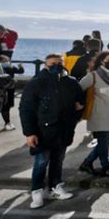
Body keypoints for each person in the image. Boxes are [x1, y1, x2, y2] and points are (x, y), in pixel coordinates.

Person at [19, 54, 84, 208]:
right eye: (52, 64)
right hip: (43, 131)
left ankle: (55, 186)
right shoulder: (36, 83)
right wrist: (29, 133)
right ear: (45, 66)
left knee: (58, 160)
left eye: (59, 63)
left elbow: (80, 104)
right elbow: (26, 109)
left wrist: (74, 118)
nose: (56, 66)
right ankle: (37, 191)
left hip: (64, 129)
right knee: (41, 162)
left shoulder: (71, 82)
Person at [78, 52, 109, 178]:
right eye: (108, 60)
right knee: (103, 142)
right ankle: (107, 167)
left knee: (108, 140)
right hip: (99, 114)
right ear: (101, 61)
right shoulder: (93, 76)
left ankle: (87, 162)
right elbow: (78, 89)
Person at [0, 55, 24, 131]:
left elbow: (21, 71)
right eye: (3, 61)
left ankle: (6, 122)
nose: (6, 62)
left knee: (8, 105)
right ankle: (7, 123)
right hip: (1, 90)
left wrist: (20, 66)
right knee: (4, 106)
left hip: (11, 89)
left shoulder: (11, 68)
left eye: (7, 60)